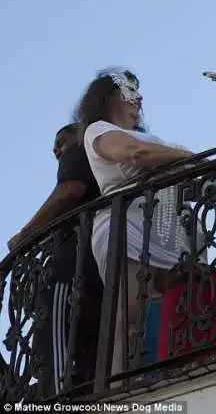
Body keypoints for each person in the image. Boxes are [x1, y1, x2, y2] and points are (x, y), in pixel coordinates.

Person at [74, 69, 206, 379]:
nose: (139, 97)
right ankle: (119, 393)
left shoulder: (145, 135)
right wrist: (187, 156)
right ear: (110, 96)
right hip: (128, 226)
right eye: (131, 89)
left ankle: (179, 374)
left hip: (165, 229)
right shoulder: (99, 130)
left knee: (181, 301)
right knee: (130, 313)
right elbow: (134, 152)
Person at [8, 123, 103, 396]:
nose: (57, 150)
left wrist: (25, 234)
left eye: (61, 141)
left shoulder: (79, 151)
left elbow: (68, 191)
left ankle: (60, 400)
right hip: (97, 268)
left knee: (59, 343)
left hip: (71, 269)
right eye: (55, 148)